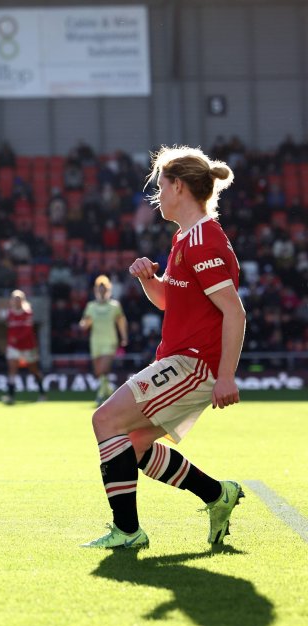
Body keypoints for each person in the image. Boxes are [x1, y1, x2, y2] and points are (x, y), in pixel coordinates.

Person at [83, 145, 245, 549]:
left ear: (179, 187)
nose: (157, 195)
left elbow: (235, 313)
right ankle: (217, 495)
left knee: (105, 421)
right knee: (133, 447)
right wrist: (147, 281)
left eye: (161, 186)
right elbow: (171, 301)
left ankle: (127, 532)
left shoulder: (202, 240)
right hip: (184, 361)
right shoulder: (186, 238)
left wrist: (225, 376)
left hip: (194, 365)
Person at [79, 275, 128, 406]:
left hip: (110, 341)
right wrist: (83, 324)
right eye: (99, 289)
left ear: (108, 290)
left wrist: (124, 337)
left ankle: (101, 395)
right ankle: (110, 392)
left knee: (103, 369)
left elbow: (121, 322)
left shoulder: (114, 306)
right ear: (96, 290)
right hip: (95, 342)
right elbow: (86, 322)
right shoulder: (91, 306)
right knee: (99, 372)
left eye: (104, 289)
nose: (102, 291)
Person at [2, 290, 48, 404]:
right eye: (14, 299)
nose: (16, 301)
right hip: (13, 347)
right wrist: (10, 343)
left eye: (19, 299)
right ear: (12, 301)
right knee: (12, 370)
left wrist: (16, 338)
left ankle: (42, 393)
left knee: (34, 370)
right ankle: (10, 396)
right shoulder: (10, 314)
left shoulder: (27, 313)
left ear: (22, 300)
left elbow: (27, 331)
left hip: (28, 347)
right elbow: (9, 330)